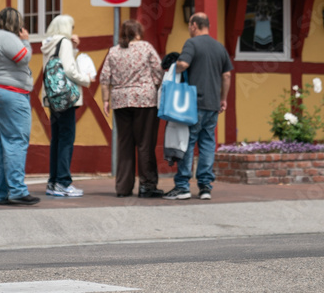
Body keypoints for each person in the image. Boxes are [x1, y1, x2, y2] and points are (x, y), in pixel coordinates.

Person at [163, 12, 233, 202]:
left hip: (192, 104)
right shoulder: (220, 47)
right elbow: (226, 76)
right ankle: (205, 187)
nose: (188, 28)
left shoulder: (191, 43)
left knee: (187, 142)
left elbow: (183, 64)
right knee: (208, 144)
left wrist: (172, 67)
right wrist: (223, 99)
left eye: (189, 25)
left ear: (194, 25)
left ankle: (183, 186)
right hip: (212, 104)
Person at [0, 7, 38, 206]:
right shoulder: (6, 37)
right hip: (10, 94)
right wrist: (26, 41)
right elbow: (23, 57)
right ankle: (18, 190)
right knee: (16, 140)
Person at [99, 19, 164, 198]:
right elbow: (159, 72)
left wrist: (106, 100)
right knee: (145, 143)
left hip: (121, 101)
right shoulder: (146, 48)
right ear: (138, 32)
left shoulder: (113, 52)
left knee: (124, 144)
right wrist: (153, 87)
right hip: (145, 100)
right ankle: (147, 186)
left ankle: (123, 188)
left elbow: (104, 78)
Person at [40, 15, 94, 197]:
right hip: (66, 97)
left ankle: (53, 182)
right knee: (66, 139)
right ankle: (63, 181)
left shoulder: (49, 43)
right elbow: (69, 69)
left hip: (53, 96)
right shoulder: (64, 42)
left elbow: (58, 66)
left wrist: (74, 47)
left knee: (56, 139)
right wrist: (86, 80)